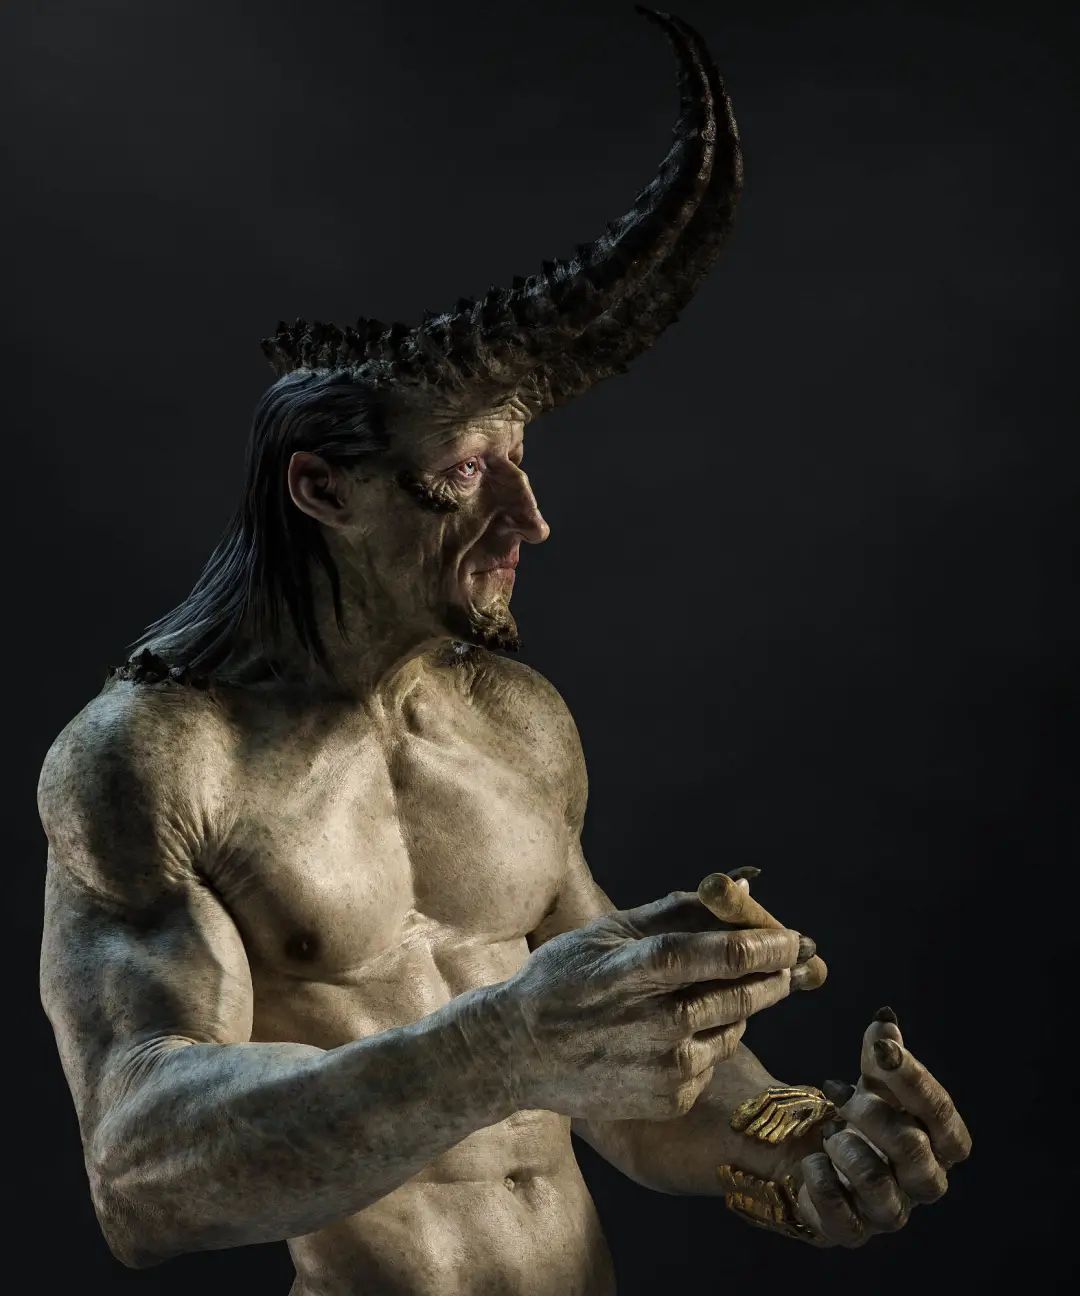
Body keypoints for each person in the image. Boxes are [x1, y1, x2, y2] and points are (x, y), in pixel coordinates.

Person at [37, 11, 969, 1294]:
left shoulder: (515, 724)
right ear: (322, 491)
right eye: (470, 472)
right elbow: (143, 1173)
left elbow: (629, 1091)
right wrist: (496, 1050)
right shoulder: (156, 761)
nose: (529, 519)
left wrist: (807, 1149)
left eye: (520, 464)